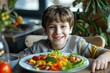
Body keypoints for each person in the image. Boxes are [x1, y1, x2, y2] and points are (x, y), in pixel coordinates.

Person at [19, 5, 110, 73]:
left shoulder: (78, 43)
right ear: (45, 30)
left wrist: (103, 58)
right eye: (51, 27)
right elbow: (19, 58)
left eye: (63, 26)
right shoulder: (38, 47)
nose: (58, 32)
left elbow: (107, 53)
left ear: (70, 29)